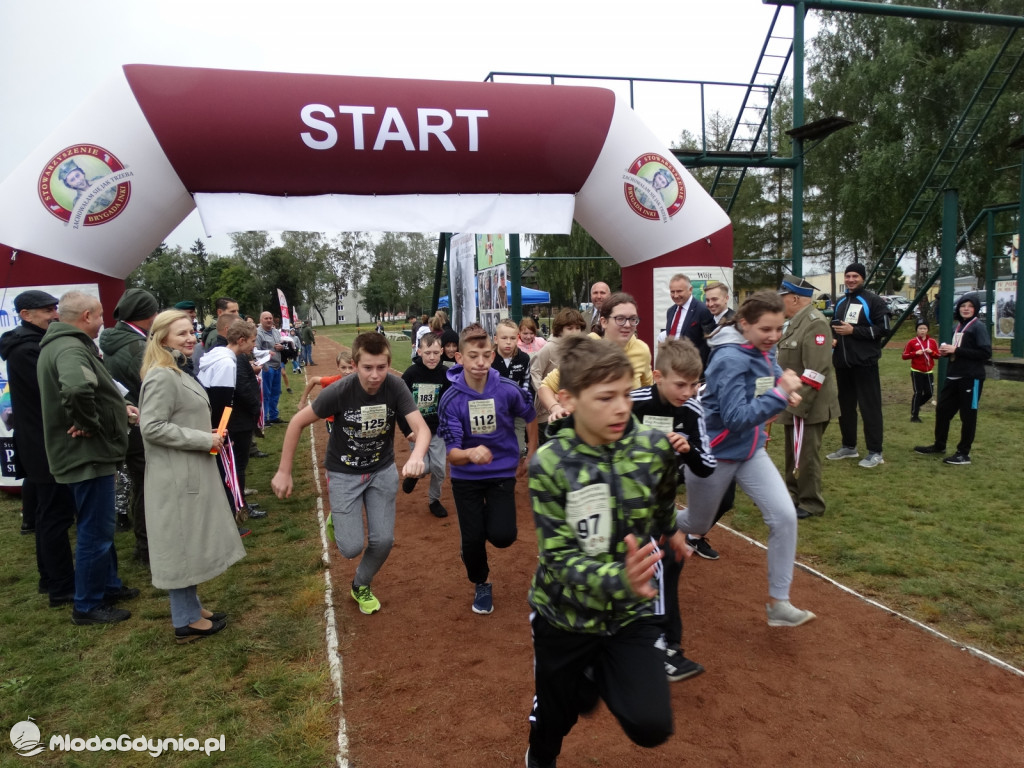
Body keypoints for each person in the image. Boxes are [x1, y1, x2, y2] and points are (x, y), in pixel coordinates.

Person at [525, 335, 690, 768]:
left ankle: (599, 670)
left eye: (624, 394)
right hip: (565, 616)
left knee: (652, 726)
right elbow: (557, 559)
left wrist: (671, 531)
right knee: (553, 722)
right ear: (569, 399)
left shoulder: (653, 449)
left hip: (631, 613)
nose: (621, 408)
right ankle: (540, 754)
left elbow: (663, 497)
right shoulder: (550, 464)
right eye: (604, 398)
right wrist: (619, 577)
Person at [674, 291, 816, 628]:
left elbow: (769, 373)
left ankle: (779, 603)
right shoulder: (729, 359)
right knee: (695, 523)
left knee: (784, 517)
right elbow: (736, 418)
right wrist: (780, 395)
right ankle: (656, 521)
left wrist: (783, 385)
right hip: (716, 453)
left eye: (779, 328)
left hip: (751, 452)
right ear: (744, 325)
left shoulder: (764, 350)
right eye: (766, 329)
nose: (774, 336)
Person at [272, 333, 429, 615]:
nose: (375, 375)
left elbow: (422, 428)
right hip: (344, 473)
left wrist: (417, 455)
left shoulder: (395, 386)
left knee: (383, 541)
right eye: (367, 367)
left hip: (381, 470)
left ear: (388, 363)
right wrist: (284, 471)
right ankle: (341, 518)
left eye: (381, 367)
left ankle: (361, 584)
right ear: (355, 364)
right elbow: (296, 422)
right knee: (350, 547)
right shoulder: (340, 391)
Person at [139, 310, 246, 643]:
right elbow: (152, 426)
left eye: (191, 332)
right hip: (176, 476)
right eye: (181, 333)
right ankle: (184, 619)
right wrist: (204, 439)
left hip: (187, 470)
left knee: (189, 542)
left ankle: (191, 607)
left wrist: (206, 432)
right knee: (181, 546)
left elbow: (175, 418)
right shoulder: (162, 375)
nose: (190, 338)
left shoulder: (175, 369)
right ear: (162, 339)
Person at [37, 291, 139, 625]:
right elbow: (78, 389)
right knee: (95, 531)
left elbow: (94, 388)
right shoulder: (69, 347)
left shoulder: (66, 344)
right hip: (86, 455)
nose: (101, 323)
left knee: (101, 525)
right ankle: (87, 604)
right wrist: (89, 424)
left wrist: (117, 410)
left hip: (89, 454)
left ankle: (107, 585)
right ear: (85, 316)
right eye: (98, 316)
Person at [629, 338, 715, 682]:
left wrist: (689, 448)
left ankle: (665, 645)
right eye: (680, 384)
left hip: (661, 503)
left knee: (664, 567)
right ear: (657, 376)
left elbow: (707, 465)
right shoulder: (633, 402)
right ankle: (659, 647)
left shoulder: (692, 410)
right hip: (625, 499)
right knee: (655, 566)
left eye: (694, 384)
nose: (688, 391)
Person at [438, 323, 537, 615]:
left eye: (484, 355)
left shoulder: (507, 389)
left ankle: (478, 532)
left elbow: (530, 415)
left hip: (501, 473)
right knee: (472, 541)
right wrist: (469, 453)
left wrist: (531, 452)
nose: (479, 362)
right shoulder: (451, 399)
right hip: (466, 477)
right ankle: (481, 582)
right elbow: (452, 455)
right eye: (472, 356)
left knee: (503, 536)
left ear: (492, 356)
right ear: (461, 358)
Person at [0, 290, 76, 607]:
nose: (54, 314)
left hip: (39, 441)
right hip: (43, 444)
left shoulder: (28, 344)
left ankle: (52, 579)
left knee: (49, 515)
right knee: (54, 516)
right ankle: (60, 586)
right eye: (47, 310)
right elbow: (52, 392)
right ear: (26, 315)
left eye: (55, 308)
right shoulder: (28, 349)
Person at [99, 287, 159, 564]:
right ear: (146, 315)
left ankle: (145, 544)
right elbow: (152, 386)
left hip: (128, 422)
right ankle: (148, 547)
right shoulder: (137, 347)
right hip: (141, 424)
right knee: (149, 486)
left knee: (140, 485)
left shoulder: (113, 340)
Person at [777, 277, 840, 520]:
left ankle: (811, 502)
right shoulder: (795, 322)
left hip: (809, 403)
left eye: (782, 297)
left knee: (806, 455)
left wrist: (797, 402)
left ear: (794, 298)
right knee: (794, 453)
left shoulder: (815, 323)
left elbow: (816, 371)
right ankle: (793, 496)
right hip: (794, 400)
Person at [538, 292, 653, 422]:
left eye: (633, 319)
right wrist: (556, 408)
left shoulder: (641, 350)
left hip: (626, 432)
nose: (627, 325)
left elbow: (648, 392)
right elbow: (546, 386)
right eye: (620, 319)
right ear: (604, 322)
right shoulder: (587, 347)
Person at [198, 316, 265, 522]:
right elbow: (223, 403)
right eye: (253, 341)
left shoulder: (217, 355)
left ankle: (233, 507)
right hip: (221, 427)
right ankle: (234, 510)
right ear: (242, 340)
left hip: (214, 424)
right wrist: (223, 434)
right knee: (230, 468)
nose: (255, 345)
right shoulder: (227, 362)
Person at [914, 295, 991, 465]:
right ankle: (939, 445)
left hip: (972, 378)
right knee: (942, 410)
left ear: (975, 309)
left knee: (968, 416)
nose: (966, 308)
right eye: (963, 305)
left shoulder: (978, 327)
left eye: (970, 306)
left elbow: (985, 353)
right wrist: (947, 352)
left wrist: (957, 349)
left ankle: (964, 453)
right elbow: (957, 351)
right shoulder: (956, 327)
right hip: (954, 375)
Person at [826, 262, 889, 468]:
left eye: (855, 276)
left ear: (862, 278)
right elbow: (835, 327)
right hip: (843, 364)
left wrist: (854, 332)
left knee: (869, 407)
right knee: (845, 407)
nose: (851, 280)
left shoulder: (873, 301)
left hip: (865, 364)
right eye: (848, 276)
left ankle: (875, 451)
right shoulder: (841, 302)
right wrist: (834, 338)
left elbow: (883, 329)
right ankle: (849, 446)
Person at [399, 332, 452, 518]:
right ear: (419, 351)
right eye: (428, 352)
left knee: (439, 468)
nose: (432, 357)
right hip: (416, 431)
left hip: (438, 430)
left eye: (436, 353)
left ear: (442, 352)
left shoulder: (446, 374)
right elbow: (399, 406)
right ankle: (415, 475)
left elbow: (450, 403)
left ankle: (434, 500)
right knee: (424, 466)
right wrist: (407, 430)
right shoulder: (411, 374)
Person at [529, 308, 586, 442]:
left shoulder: (581, 348)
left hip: (571, 407)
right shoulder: (549, 348)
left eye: (578, 328)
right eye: (569, 328)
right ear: (560, 329)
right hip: (547, 410)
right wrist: (545, 393)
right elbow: (534, 370)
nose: (574, 332)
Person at [663, 273, 713, 365]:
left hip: (693, 369)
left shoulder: (702, 310)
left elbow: (709, 344)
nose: (675, 295)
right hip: (672, 366)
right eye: (672, 292)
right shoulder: (670, 311)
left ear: (690, 290)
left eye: (679, 291)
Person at [902, 321, 939, 423]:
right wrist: (915, 353)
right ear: (917, 330)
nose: (922, 331)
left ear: (928, 330)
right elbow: (904, 356)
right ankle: (915, 416)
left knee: (929, 393)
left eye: (924, 329)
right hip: (916, 371)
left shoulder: (932, 342)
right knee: (918, 392)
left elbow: (938, 356)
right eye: (920, 329)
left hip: (928, 371)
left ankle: (916, 406)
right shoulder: (912, 342)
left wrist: (932, 352)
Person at [256, 311, 286, 424]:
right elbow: (255, 351)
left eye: (270, 318)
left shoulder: (275, 331)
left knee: (276, 392)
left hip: (277, 366)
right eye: (266, 318)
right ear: (261, 320)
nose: (269, 320)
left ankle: (274, 416)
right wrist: (267, 352)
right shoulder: (258, 333)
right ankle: (265, 418)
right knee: (266, 393)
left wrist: (281, 347)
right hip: (267, 368)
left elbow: (281, 344)